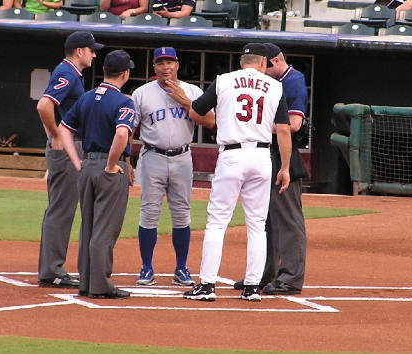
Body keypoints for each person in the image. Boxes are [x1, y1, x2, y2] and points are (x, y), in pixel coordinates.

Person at [182, 43, 291, 302]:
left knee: (217, 222)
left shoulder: (224, 80)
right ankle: (252, 287)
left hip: (232, 155)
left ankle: (207, 285)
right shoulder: (275, 86)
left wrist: (223, 117)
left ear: (242, 62)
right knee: (256, 225)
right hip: (262, 156)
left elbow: (195, 112)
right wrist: (285, 167)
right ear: (263, 63)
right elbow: (284, 130)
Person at [131, 46, 214, 287]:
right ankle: (146, 267)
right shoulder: (142, 93)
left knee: (181, 214)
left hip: (182, 157)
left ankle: (181, 268)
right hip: (152, 157)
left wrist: (185, 101)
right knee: (149, 213)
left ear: (177, 64)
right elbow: (130, 128)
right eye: (160, 63)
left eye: (170, 62)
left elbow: (210, 121)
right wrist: (126, 159)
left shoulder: (193, 91)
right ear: (154, 67)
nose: (166, 67)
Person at [58, 50, 135, 299]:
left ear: (104, 71)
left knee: (88, 228)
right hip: (108, 170)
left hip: (87, 166)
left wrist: (76, 162)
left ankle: (87, 283)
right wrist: (112, 164)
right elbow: (122, 134)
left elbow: (63, 128)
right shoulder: (124, 101)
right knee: (104, 230)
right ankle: (100, 285)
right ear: (125, 73)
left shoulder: (87, 97)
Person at [233, 43, 308, 295]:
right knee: (264, 219)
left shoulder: (294, 80)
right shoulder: (269, 83)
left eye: (263, 66)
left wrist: (257, 126)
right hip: (264, 153)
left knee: (287, 219)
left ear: (274, 62)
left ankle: (290, 278)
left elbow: (294, 124)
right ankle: (263, 275)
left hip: (283, 154)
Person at [36, 31, 104, 289]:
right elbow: (44, 106)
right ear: (79, 51)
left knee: (61, 208)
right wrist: (56, 135)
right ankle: (52, 270)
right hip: (67, 146)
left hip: (71, 145)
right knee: (61, 209)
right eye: (91, 50)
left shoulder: (72, 73)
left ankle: (51, 268)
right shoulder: (66, 72)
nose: (94, 54)